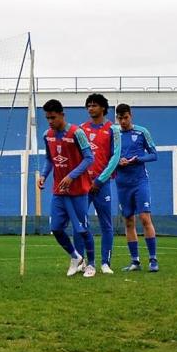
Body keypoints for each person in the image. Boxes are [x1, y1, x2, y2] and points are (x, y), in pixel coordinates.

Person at [37, 99, 96, 277]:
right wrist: (43, 175)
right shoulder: (47, 135)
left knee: (82, 228)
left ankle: (91, 264)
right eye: (47, 118)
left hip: (78, 190)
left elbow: (89, 158)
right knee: (56, 228)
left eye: (53, 117)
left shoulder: (77, 132)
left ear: (62, 114)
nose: (50, 121)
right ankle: (76, 257)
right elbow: (50, 159)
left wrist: (71, 176)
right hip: (59, 191)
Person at [78, 93, 121, 274]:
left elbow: (116, 156)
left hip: (102, 184)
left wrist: (100, 179)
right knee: (80, 222)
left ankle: (105, 263)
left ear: (103, 108)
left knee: (106, 224)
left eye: (94, 105)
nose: (90, 108)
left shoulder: (113, 130)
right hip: (83, 184)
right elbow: (77, 156)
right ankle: (81, 262)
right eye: (88, 105)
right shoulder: (80, 129)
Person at [114, 104, 159, 273]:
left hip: (140, 181)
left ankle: (153, 259)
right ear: (117, 118)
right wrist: (117, 162)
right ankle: (135, 261)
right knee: (128, 221)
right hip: (122, 183)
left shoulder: (141, 132)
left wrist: (137, 159)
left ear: (131, 116)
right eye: (120, 118)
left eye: (125, 117)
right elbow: (109, 157)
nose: (123, 121)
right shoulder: (114, 134)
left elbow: (154, 155)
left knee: (145, 218)